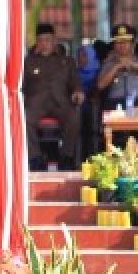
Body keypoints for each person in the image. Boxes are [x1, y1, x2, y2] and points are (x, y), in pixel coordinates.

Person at [23, 23, 83, 171]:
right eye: (41, 40)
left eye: (48, 40)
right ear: (37, 42)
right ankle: (35, 158)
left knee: (73, 118)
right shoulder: (28, 62)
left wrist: (77, 92)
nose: (44, 44)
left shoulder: (66, 61)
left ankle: (66, 157)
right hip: (35, 104)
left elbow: (75, 82)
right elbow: (20, 85)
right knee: (23, 119)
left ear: (54, 41)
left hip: (60, 102)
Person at [96, 24, 138, 110]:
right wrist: (116, 67)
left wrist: (137, 67)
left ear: (133, 44)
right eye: (118, 42)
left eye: (125, 42)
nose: (122, 45)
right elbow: (100, 85)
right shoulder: (108, 63)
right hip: (115, 104)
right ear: (114, 45)